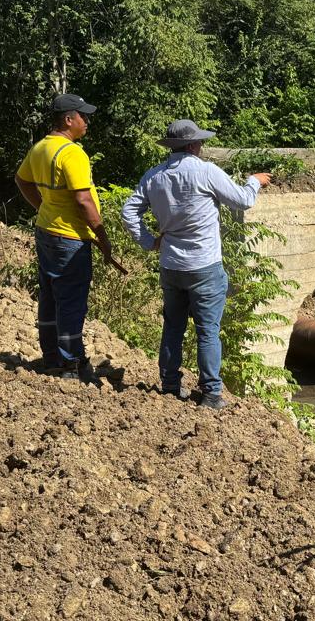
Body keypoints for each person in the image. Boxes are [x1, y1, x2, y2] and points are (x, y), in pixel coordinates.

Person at [120, 119, 270, 410]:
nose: (202, 146)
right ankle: (211, 394)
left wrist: (149, 242)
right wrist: (255, 181)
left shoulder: (154, 176)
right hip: (204, 266)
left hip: (171, 266)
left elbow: (129, 212)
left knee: (173, 327)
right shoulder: (206, 172)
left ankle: (169, 386)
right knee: (207, 330)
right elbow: (242, 200)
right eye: (200, 142)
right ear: (192, 145)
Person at [15, 93, 125, 380]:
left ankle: (52, 358)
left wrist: (43, 207)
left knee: (50, 297)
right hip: (70, 239)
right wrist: (102, 236)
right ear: (68, 119)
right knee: (71, 302)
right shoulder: (72, 153)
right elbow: (83, 200)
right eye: (82, 116)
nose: (86, 121)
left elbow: (21, 180)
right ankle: (72, 363)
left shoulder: (40, 147)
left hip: (46, 231)